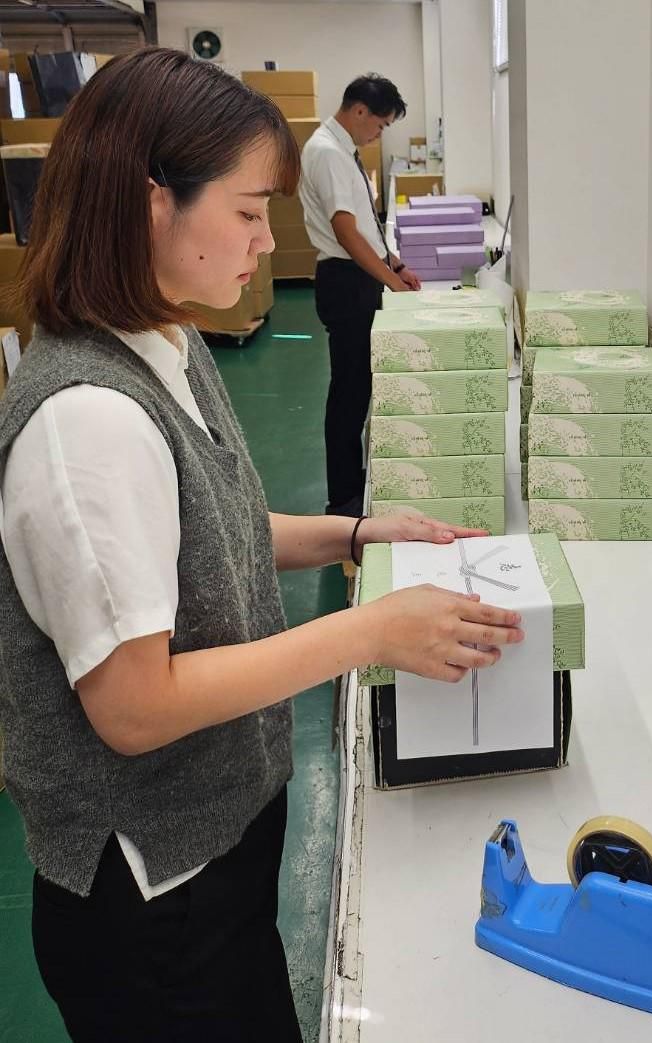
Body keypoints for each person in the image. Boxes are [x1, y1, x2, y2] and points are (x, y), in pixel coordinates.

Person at [0, 49, 524, 1043]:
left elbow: (207, 526)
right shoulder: (85, 421)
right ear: (152, 203)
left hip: (216, 849)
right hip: (151, 895)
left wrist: (358, 531)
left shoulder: (164, 339)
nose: (263, 240)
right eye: (245, 212)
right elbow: (134, 705)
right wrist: (370, 631)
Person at [300, 73, 422, 518]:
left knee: (360, 387)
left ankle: (355, 484)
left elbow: (366, 226)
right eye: (381, 125)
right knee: (349, 394)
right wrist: (388, 280)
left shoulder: (341, 151)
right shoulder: (328, 153)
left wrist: (395, 264)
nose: (379, 135)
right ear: (359, 111)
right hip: (346, 281)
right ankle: (344, 500)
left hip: (358, 275)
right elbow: (346, 232)